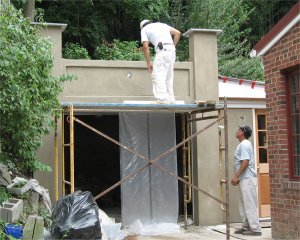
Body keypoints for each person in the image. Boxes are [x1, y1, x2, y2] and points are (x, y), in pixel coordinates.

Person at [140, 20, 181, 104]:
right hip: (171, 51)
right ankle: (170, 98)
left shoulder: (144, 29)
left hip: (162, 51)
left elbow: (145, 46)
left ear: (142, 26)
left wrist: (148, 62)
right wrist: (173, 46)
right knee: (168, 76)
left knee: (157, 75)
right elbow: (177, 33)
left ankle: (162, 99)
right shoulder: (162, 25)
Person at [231, 125, 262, 236]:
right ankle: (246, 227)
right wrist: (239, 177)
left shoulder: (244, 144)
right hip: (244, 179)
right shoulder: (242, 144)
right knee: (243, 204)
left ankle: (255, 229)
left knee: (250, 204)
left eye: (239, 129)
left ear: (242, 133)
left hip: (248, 179)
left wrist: (236, 176)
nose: (237, 130)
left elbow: (245, 161)